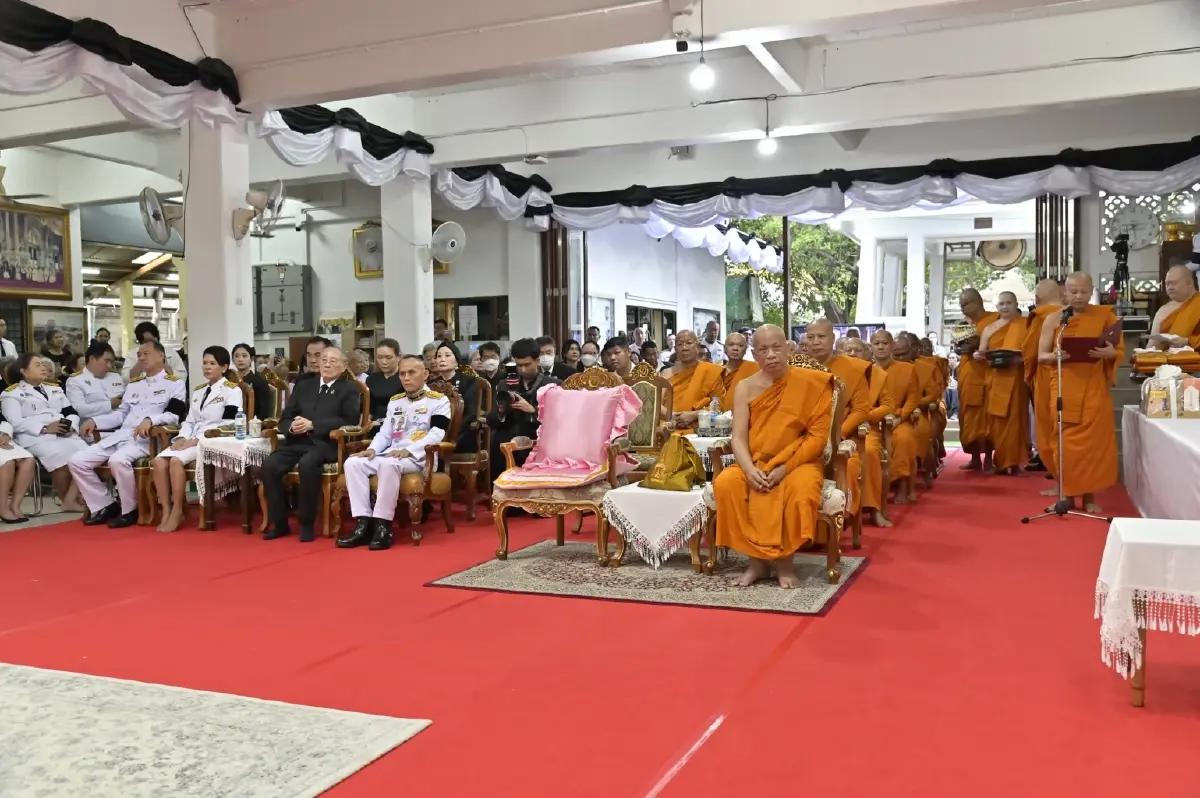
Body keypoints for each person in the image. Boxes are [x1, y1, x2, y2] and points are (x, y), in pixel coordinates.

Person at [713, 325, 834, 588]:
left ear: (788, 348)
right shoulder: (744, 387)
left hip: (799, 461)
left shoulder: (812, 382)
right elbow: (738, 438)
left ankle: (785, 565)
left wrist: (784, 468)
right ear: (754, 355)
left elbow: (816, 439)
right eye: (763, 350)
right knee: (726, 483)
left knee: (799, 490)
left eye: (776, 347)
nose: (771, 355)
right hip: (757, 460)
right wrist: (748, 469)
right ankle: (756, 563)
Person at [338, 355, 452, 551]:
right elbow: (386, 433)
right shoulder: (396, 402)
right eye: (402, 373)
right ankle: (363, 524)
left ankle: (383, 525)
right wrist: (372, 449)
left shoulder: (438, 401)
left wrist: (408, 450)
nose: (406, 378)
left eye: (411, 373)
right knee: (352, 463)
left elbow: (437, 433)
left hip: (419, 457)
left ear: (425, 374)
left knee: (388, 464)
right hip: (392, 454)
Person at [70, 340, 188, 527]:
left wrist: (151, 420)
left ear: (161, 356)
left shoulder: (175, 384)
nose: (141, 357)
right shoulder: (134, 384)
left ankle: (129, 509)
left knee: (117, 460)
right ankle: (105, 504)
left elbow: (174, 416)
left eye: (146, 353)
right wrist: (96, 421)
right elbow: (120, 415)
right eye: (139, 354)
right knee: (77, 461)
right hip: (121, 436)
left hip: (147, 439)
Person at [1036, 272, 1122, 513]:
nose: (1078, 296)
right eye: (1073, 292)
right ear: (1065, 292)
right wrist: (1054, 356)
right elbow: (1040, 356)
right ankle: (1066, 496)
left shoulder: (1105, 316)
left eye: (1084, 292)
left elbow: (1117, 349)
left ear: (1091, 290)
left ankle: (1089, 498)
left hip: (1093, 388)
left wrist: (1110, 354)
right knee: (1064, 445)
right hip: (1064, 387)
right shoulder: (1055, 319)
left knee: (1092, 446)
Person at [261, 346, 363, 542]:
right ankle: (279, 523)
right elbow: (286, 416)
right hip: (297, 441)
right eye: (324, 359)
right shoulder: (304, 386)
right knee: (270, 466)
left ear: (343, 367)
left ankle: (306, 523)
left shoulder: (349, 389)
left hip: (325, 444)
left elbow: (349, 419)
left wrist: (313, 425)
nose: (326, 363)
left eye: (333, 360)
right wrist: (291, 427)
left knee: (308, 465)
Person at [152, 346, 243, 532]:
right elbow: (190, 420)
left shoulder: (232, 391)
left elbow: (229, 424)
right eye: (205, 363)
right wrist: (182, 437)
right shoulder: (198, 391)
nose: (207, 367)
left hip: (211, 440)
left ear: (224, 367)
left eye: (212, 364)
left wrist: (197, 440)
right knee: (159, 461)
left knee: (176, 461)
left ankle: (178, 510)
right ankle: (167, 510)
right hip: (190, 438)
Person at [1, 352, 88, 514]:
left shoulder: (54, 388)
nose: (43, 368)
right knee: (61, 457)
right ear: (24, 371)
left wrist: (70, 425)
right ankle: (65, 499)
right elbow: (14, 422)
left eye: (42, 364)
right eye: (37, 365)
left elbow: (71, 411)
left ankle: (70, 498)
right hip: (34, 437)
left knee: (86, 455)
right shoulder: (11, 393)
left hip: (63, 433)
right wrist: (45, 428)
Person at [806, 320, 871, 523]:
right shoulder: (796, 367)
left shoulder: (852, 369)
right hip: (804, 439)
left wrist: (838, 433)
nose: (816, 342)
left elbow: (861, 409)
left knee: (848, 467)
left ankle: (838, 523)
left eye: (821, 337)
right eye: (811, 337)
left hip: (840, 438)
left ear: (833, 339)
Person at [486, 338, 559, 480]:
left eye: (527, 364)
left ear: (537, 360)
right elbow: (491, 419)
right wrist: (502, 412)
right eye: (519, 365)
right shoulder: (505, 384)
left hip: (538, 436)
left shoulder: (551, 384)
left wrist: (533, 410)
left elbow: (559, 419)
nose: (523, 370)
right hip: (508, 435)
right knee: (498, 440)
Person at [976, 291, 1028, 475]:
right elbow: (982, 353)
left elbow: (1032, 350)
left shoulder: (1025, 325)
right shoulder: (990, 328)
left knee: (1016, 420)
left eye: (1009, 303)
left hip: (1017, 378)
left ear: (1015, 304)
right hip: (996, 378)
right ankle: (1000, 462)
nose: (1005, 307)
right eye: (1002, 304)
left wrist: (1020, 358)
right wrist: (978, 355)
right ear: (997, 307)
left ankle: (1013, 463)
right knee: (997, 421)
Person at [871, 330, 920, 504]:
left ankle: (903, 487)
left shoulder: (907, 369)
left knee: (904, 439)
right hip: (873, 421)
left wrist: (902, 416)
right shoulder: (866, 370)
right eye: (876, 343)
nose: (881, 347)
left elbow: (913, 397)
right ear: (871, 347)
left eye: (884, 343)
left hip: (899, 419)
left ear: (891, 345)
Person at [1022, 279, 1064, 476]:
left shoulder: (1041, 316)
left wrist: (1027, 373)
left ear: (1037, 298)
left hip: (1046, 374)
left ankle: (1054, 464)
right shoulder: (1069, 313)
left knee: (1048, 420)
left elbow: (1030, 351)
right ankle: (1061, 466)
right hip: (1069, 375)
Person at [957, 288, 1000, 471]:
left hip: (986, 373)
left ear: (977, 302)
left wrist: (981, 344)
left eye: (965, 304)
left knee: (987, 418)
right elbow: (958, 348)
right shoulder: (962, 324)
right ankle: (975, 458)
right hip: (968, 372)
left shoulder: (995, 320)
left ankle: (989, 459)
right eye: (961, 305)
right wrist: (963, 347)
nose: (962, 308)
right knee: (968, 417)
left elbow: (1000, 343)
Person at [895, 332, 939, 486]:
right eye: (897, 354)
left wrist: (916, 403)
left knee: (920, 431)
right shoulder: (886, 367)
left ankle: (927, 470)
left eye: (906, 351)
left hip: (917, 412)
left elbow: (933, 394)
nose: (900, 357)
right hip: (891, 413)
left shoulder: (926, 368)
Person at [663, 330, 726, 434]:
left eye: (689, 343)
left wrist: (694, 415)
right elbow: (655, 405)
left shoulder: (710, 371)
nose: (684, 348)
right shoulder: (666, 373)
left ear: (697, 346)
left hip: (699, 429)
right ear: (675, 349)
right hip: (669, 427)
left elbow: (720, 407)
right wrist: (672, 415)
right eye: (679, 344)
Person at [431, 340, 479, 453]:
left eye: (447, 355)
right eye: (439, 356)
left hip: (461, 430)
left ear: (457, 361)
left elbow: (470, 413)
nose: (442, 359)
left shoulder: (469, 381)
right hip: (436, 430)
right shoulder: (431, 385)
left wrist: (450, 429)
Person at [1148, 265, 1200, 349]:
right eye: (1167, 284)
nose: (1170, 287)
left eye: (1174, 283)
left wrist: (1187, 341)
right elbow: (1152, 345)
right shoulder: (1163, 310)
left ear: (1189, 283)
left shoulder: (1198, 303)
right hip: (1165, 359)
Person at [66, 341, 121, 420]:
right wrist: (110, 405)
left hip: (122, 424)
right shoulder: (75, 380)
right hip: (93, 428)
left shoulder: (115, 376)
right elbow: (78, 409)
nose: (109, 366)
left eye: (111, 362)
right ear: (92, 359)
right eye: (107, 361)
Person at [0, 400, 34, 523]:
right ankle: (2, 507)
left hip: (1, 439)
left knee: (28, 460)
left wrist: (5, 434)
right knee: (7, 462)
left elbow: (3, 420)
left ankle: (15, 505)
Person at [364, 338, 402, 423]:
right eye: (380, 357)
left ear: (398, 357)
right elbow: (368, 408)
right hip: (375, 424)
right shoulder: (372, 379)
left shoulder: (404, 377)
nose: (384, 362)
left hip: (399, 422)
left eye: (388, 357)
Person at [232, 343, 273, 421]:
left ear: (251, 359)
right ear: (233, 360)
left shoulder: (260, 382)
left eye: (244, 356)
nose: (240, 359)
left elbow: (263, 413)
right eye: (236, 356)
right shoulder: (230, 382)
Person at [721, 331, 759, 406]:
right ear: (724, 348)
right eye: (731, 344)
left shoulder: (755, 368)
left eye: (740, 345)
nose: (735, 348)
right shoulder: (717, 370)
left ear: (745, 350)